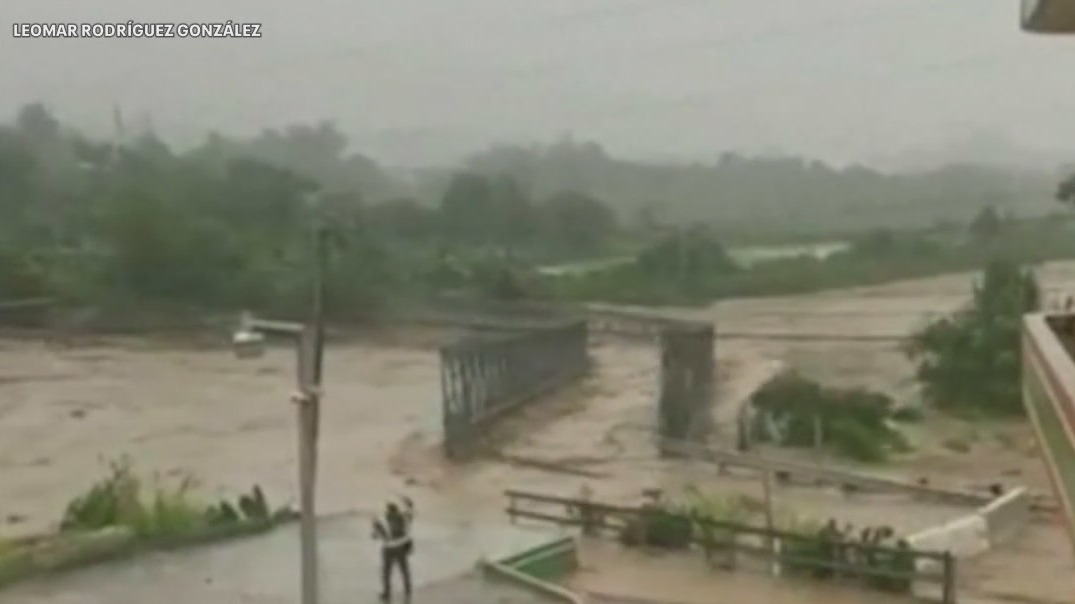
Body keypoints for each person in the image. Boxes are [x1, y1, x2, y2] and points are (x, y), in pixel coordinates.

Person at [372, 495, 415, 601]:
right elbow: (411, 511)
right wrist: (408, 502)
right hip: (401, 546)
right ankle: (408, 590)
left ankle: (386, 593)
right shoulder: (403, 517)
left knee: (386, 572)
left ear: (387, 510)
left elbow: (375, 536)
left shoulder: (382, 520)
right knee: (404, 569)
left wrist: (374, 524)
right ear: (396, 509)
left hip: (389, 549)